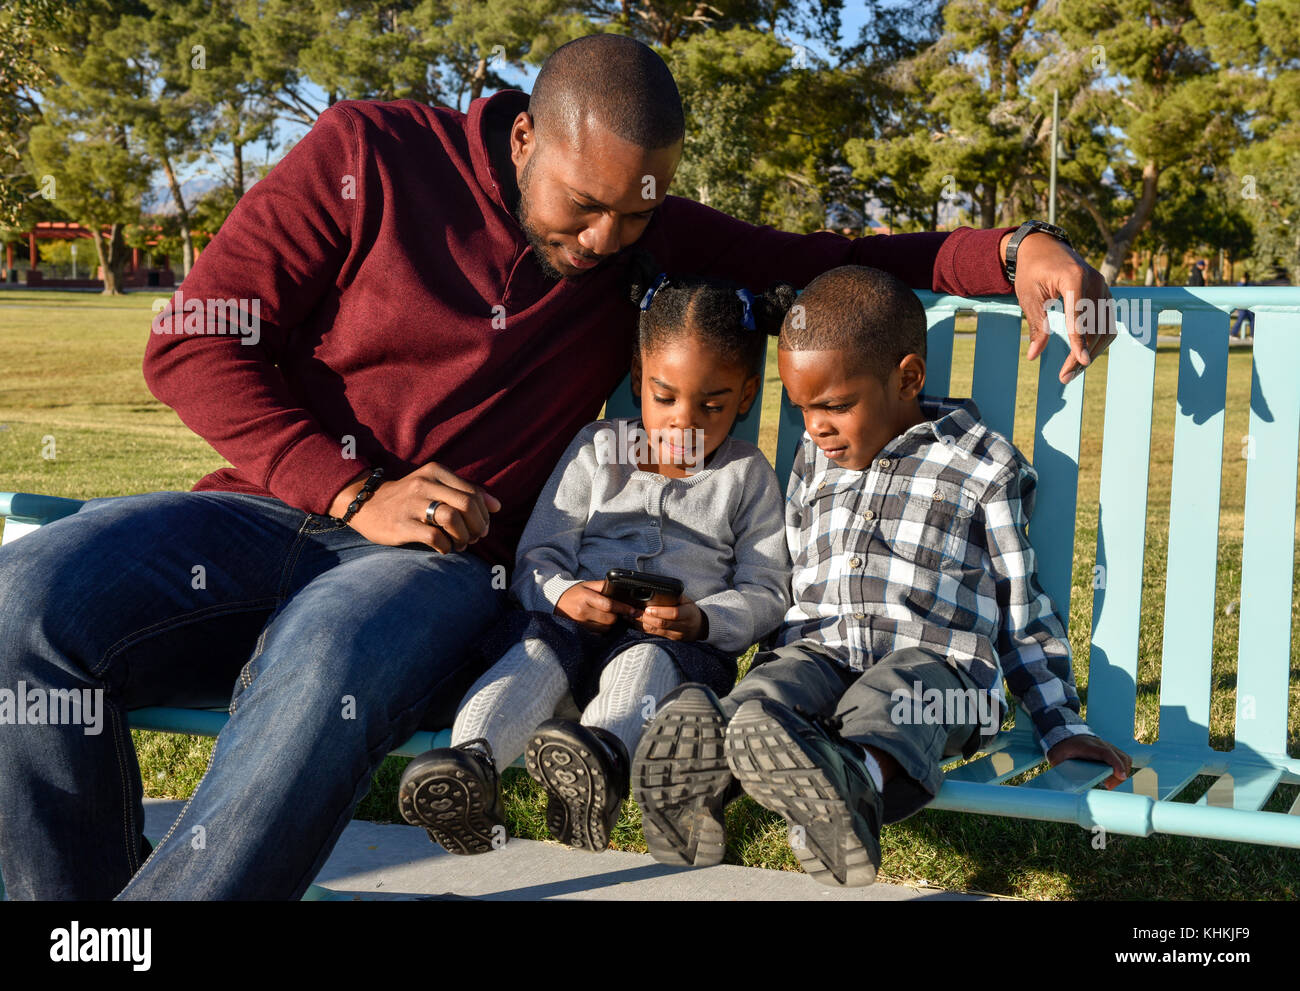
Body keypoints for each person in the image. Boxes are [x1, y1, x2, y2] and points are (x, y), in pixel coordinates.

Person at [0, 32, 1119, 900]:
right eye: (582, 209)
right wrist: (349, 490)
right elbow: (194, 339)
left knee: (328, 646)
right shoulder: (367, 155)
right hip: (265, 516)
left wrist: (1013, 248)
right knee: (27, 603)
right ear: (526, 134)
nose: (602, 245)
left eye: (631, 220)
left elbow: (825, 259)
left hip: (442, 571)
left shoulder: (640, 232)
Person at [632, 265, 1132, 886]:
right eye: (803, 409)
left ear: (908, 378)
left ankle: (852, 784)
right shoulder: (814, 458)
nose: (814, 428)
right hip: (824, 650)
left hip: (937, 669)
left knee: (895, 692)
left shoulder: (983, 465)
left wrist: (1063, 726)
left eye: (835, 406)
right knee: (772, 690)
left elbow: (1022, 609)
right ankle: (700, 782)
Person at [397, 272, 792, 855]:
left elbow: (767, 589)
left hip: (674, 651)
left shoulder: (745, 474)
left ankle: (598, 761)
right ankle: (469, 766)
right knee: (532, 654)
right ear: (638, 381)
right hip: (570, 631)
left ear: (747, 396)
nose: (684, 421)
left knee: (647, 664)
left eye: (712, 405)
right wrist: (562, 594)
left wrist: (703, 620)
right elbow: (537, 555)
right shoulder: (596, 449)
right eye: (665, 398)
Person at [1230, 273, 1254, 340]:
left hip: (1248, 306)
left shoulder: (1250, 285)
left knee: (1252, 319)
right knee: (1240, 318)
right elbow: (1239, 291)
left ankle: (1253, 335)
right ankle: (1233, 334)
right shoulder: (1240, 284)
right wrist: (1242, 283)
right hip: (1242, 305)